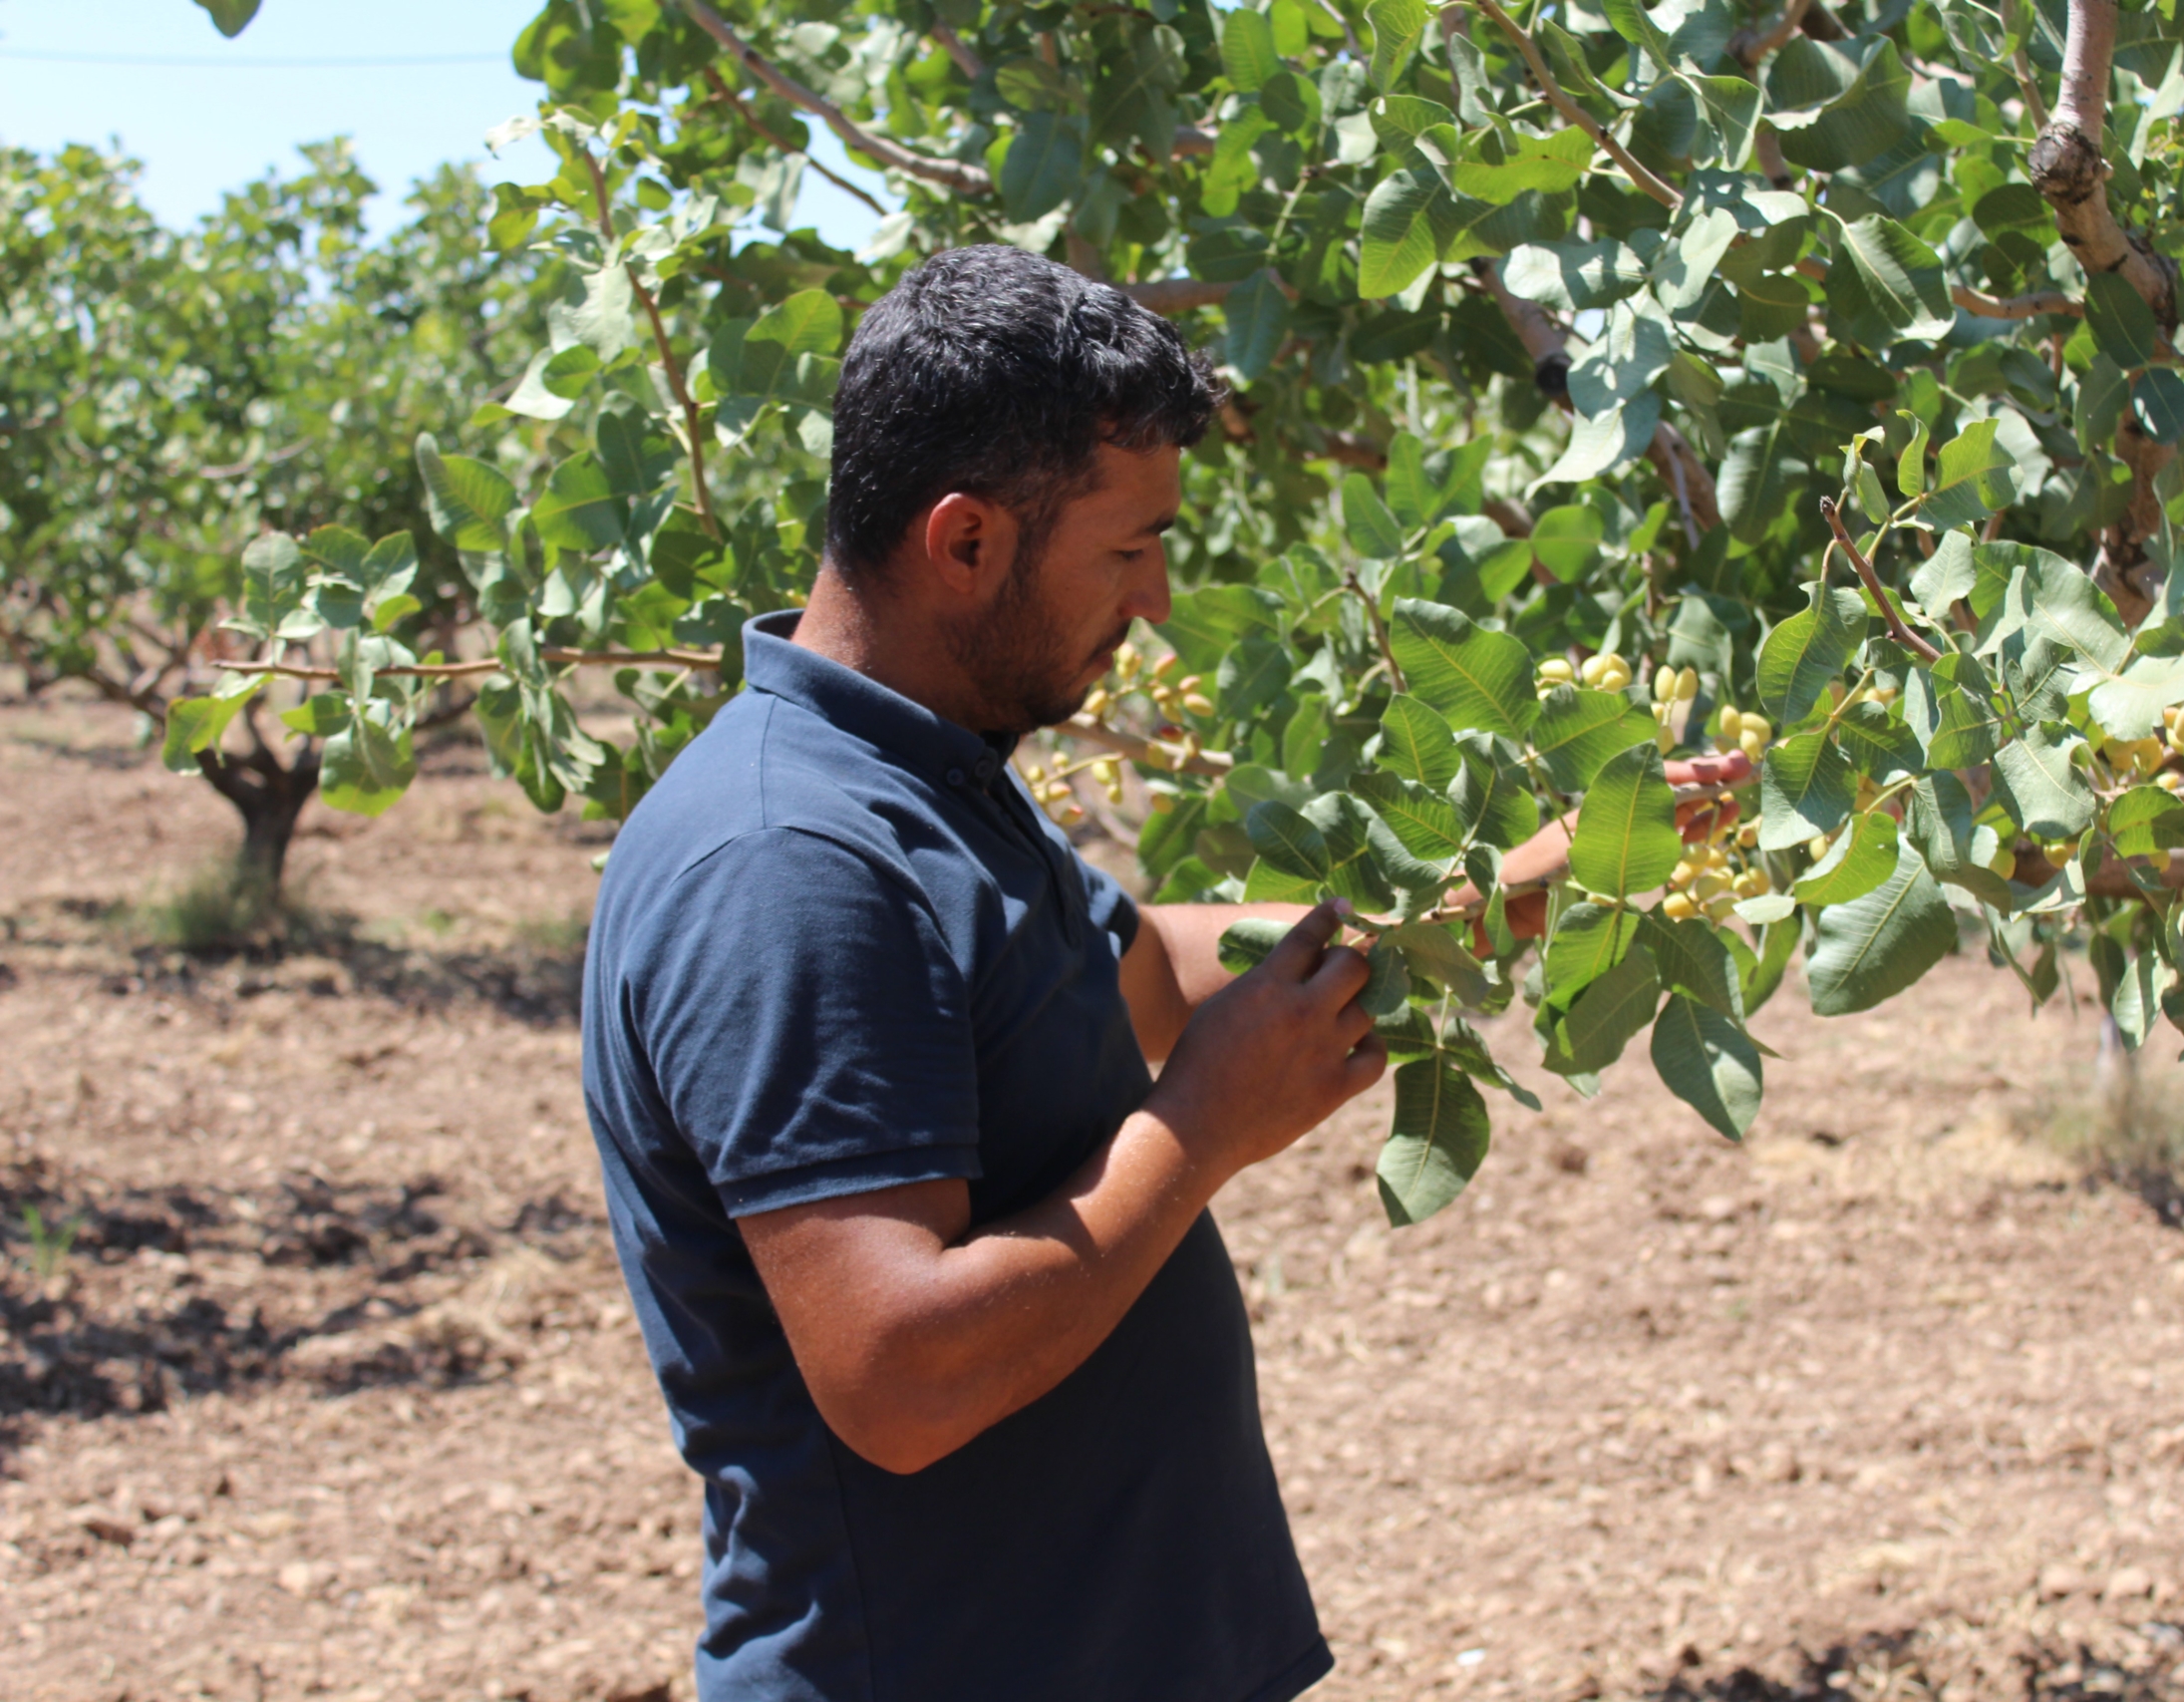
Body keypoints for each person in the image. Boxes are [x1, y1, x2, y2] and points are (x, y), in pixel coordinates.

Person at [581, 243, 1750, 1702]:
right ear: (964, 543)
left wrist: (1526, 881)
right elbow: (896, 1372)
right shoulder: (788, 862)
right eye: (1128, 549)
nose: (1153, 603)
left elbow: (1139, 971)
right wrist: (1202, 1131)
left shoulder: (924, 780)